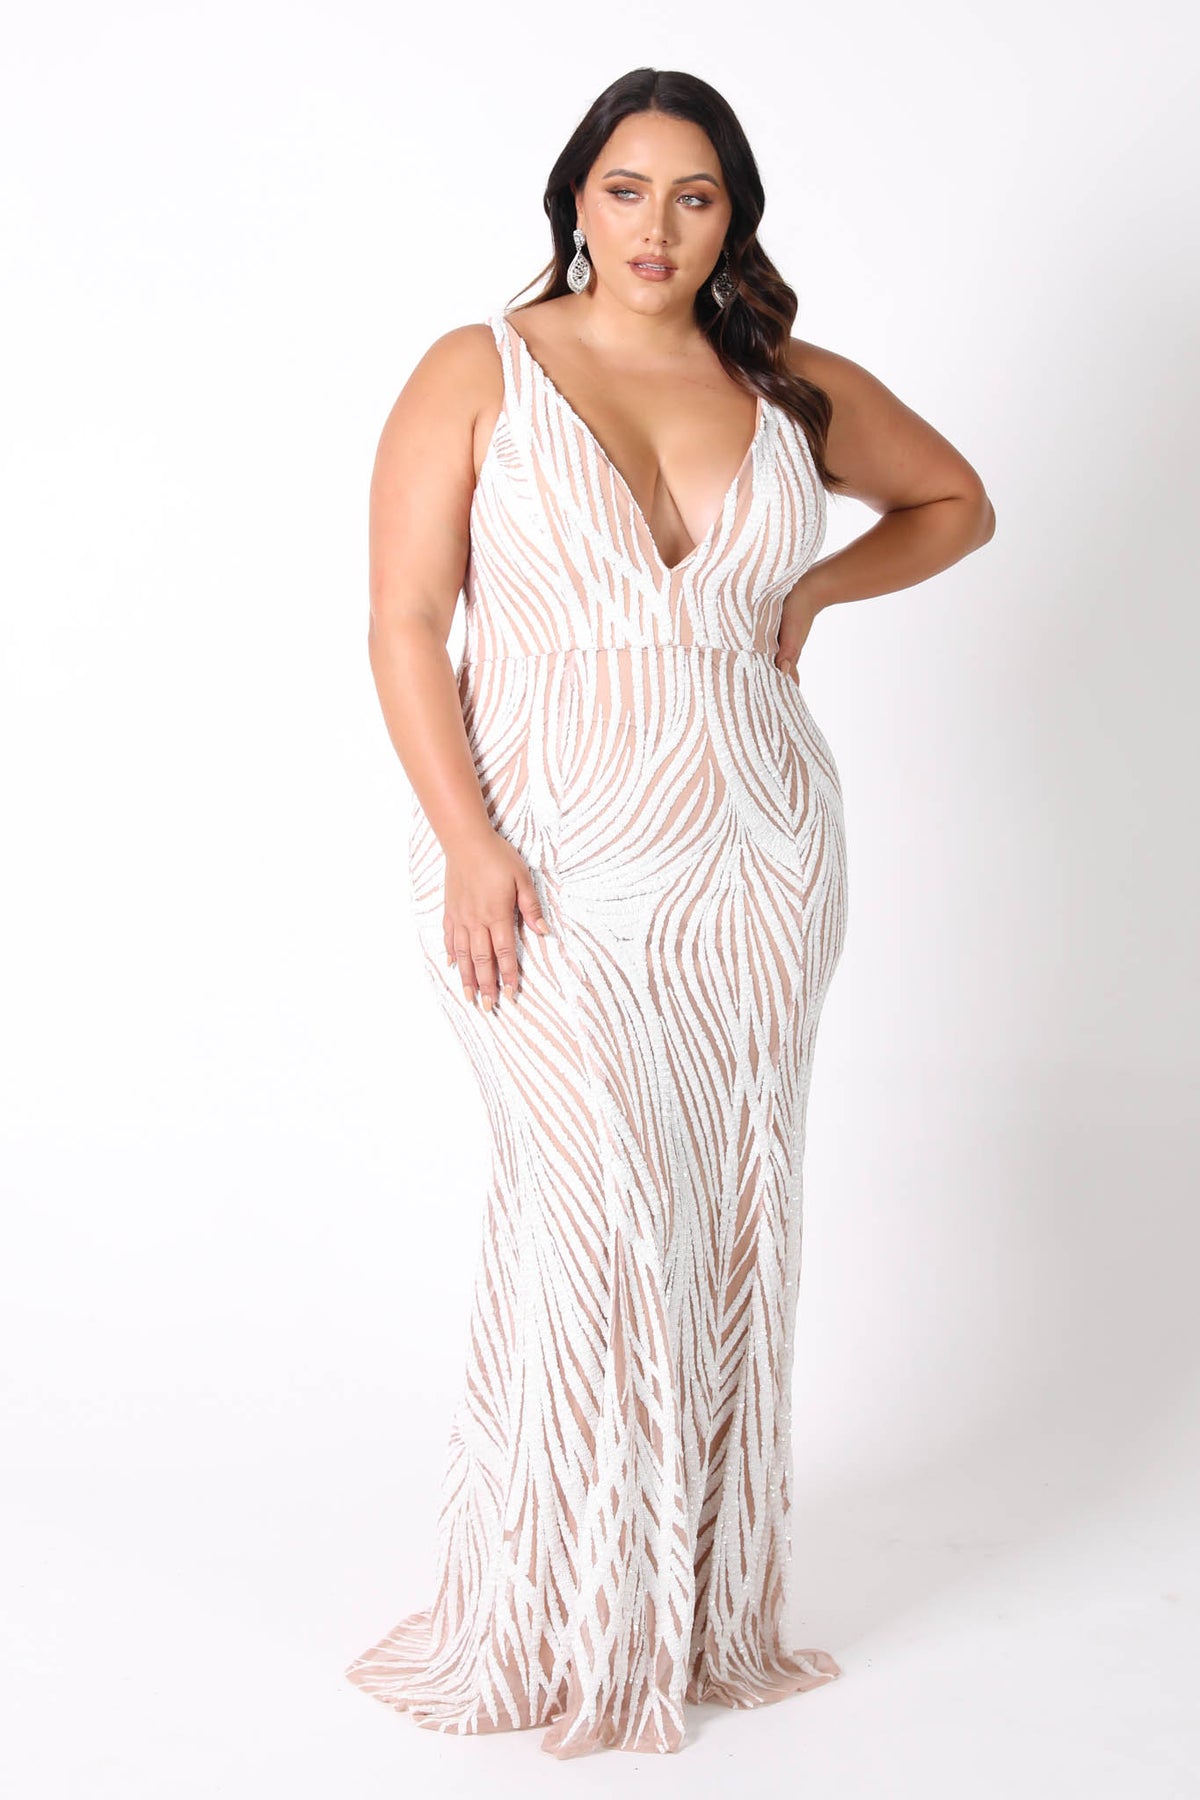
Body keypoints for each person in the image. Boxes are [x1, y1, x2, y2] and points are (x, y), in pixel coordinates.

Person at [344, 66, 995, 1759]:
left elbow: (956, 503)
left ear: (734, 219)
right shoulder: (477, 369)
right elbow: (406, 622)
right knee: (597, 1206)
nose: (656, 226)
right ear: (577, 199)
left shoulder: (784, 384)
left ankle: (687, 1611)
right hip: (538, 850)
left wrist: (814, 589)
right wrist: (468, 842)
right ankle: (558, 1607)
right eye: (627, 190)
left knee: (724, 1213)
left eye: (695, 196)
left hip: (756, 857)